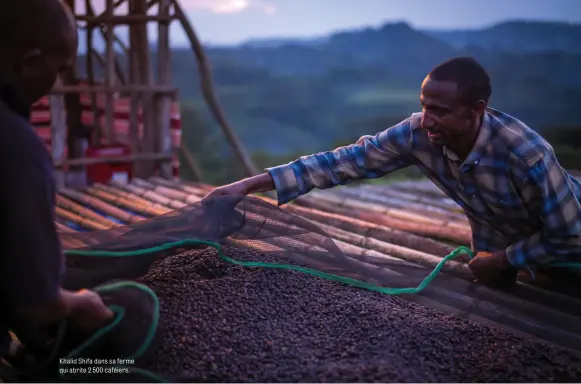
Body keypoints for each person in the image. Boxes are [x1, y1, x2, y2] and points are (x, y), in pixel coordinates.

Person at [203, 56, 581, 286]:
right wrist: (248, 185)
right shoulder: (418, 133)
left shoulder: (526, 155)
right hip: (504, 252)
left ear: (476, 109)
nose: (427, 121)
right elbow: (342, 163)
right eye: (424, 106)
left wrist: (504, 261)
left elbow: (570, 234)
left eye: (441, 111)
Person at [0, 0, 113, 367]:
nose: (57, 83)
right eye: (60, 69)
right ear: (29, 61)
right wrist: (80, 304)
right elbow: (37, 303)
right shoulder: (14, 145)